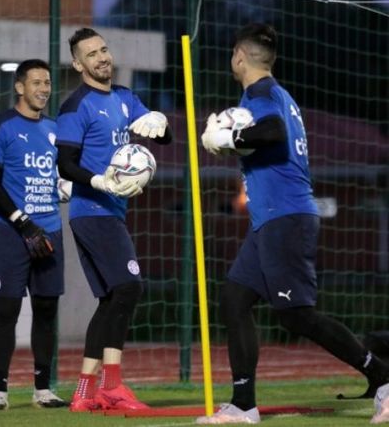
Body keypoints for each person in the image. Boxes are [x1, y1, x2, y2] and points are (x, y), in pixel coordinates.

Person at [198, 23, 389, 425]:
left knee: (297, 315)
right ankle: (243, 405)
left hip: (285, 217)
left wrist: (230, 139)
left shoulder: (262, 94)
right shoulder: (276, 94)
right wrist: (237, 140)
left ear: (239, 56)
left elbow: (273, 132)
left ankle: (383, 377)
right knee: (234, 299)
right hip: (269, 220)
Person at [56, 27, 172, 412]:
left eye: (103, 50)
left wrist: (159, 121)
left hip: (111, 213)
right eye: (91, 54)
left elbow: (161, 136)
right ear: (78, 65)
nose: (102, 57)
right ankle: (112, 386)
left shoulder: (125, 97)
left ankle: (84, 392)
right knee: (129, 288)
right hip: (92, 211)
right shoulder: (76, 106)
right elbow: (65, 163)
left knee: (110, 299)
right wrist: (99, 181)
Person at [0, 59, 67, 411]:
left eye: (47, 83)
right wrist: (22, 221)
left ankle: (43, 389)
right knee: (8, 310)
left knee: (46, 309)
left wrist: (66, 186)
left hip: (50, 230)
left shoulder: (55, 129)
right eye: (36, 82)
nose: (44, 89)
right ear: (19, 87)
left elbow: (61, 173)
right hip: (11, 232)